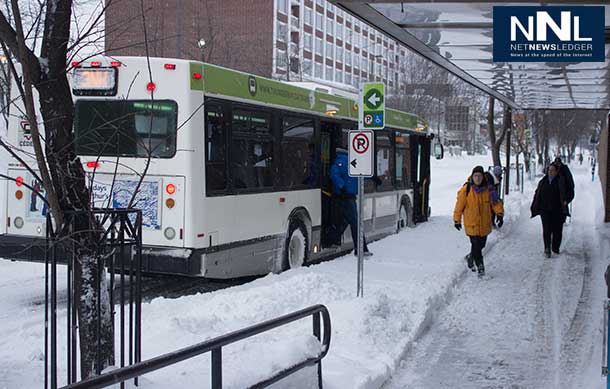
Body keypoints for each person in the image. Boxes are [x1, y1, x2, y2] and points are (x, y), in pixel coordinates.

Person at [454, 166, 504, 277]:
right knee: (476, 245)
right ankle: (481, 268)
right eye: (475, 176)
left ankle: (470, 258)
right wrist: (457, 220)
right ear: (472, 177)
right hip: (471, 224)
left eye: (479, 176)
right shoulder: (466, 190)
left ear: (483, 177)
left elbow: (495, 203)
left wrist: (500, 214)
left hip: (484, 225)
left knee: (480, 245)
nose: (477, 178)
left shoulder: (489, 190)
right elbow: (459, 206)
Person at [330, 147, 373, 256]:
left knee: (346, 221)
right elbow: (334, 173)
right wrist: (342, 186)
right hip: (346, 197)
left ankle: (333, 239)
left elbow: (355, 175)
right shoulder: (344, 160)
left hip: (346, 197)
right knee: (356, 223)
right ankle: (361, 249)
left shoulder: (347, 160)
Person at [530, 162, 569, 258]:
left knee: (557, 230)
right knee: (546, 229)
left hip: (557, 210)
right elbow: (537, 193)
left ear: (556, 172)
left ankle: (555, 247)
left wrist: (566, 200)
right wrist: (535, 205)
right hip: (545, 210)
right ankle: (547, 248)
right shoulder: (543, 181)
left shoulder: (561, 182)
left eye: (552, 170)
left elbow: (569, 192)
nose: (550, 172)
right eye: (549, 170)